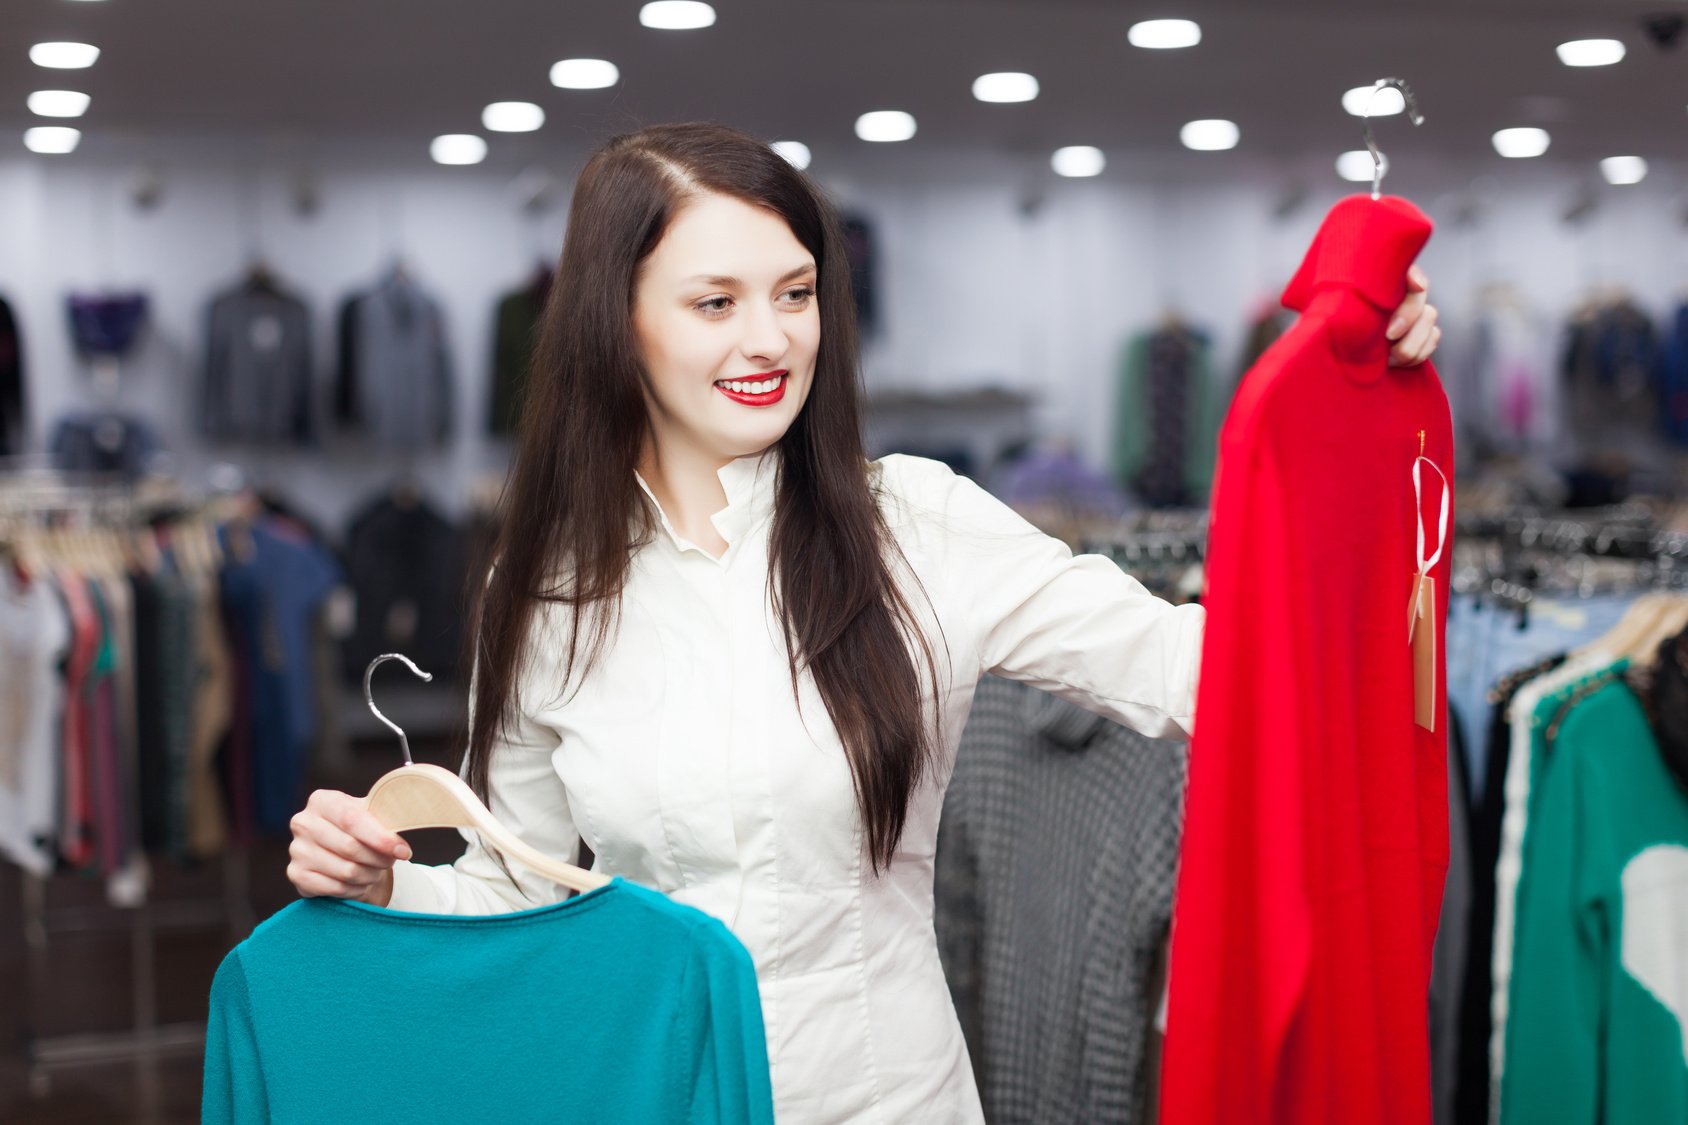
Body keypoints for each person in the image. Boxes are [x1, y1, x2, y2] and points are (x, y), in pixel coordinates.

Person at [286, 122, 1443, 1121]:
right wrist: (391, 881)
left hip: (888, 1100)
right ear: (614, 320)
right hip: (656, 1095)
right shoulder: (543, 592)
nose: (771, 339)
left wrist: (1360, 422)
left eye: (795, 294)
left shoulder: (920, 527)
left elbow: (1226, 676)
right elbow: (522, 891)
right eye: (715, 302)